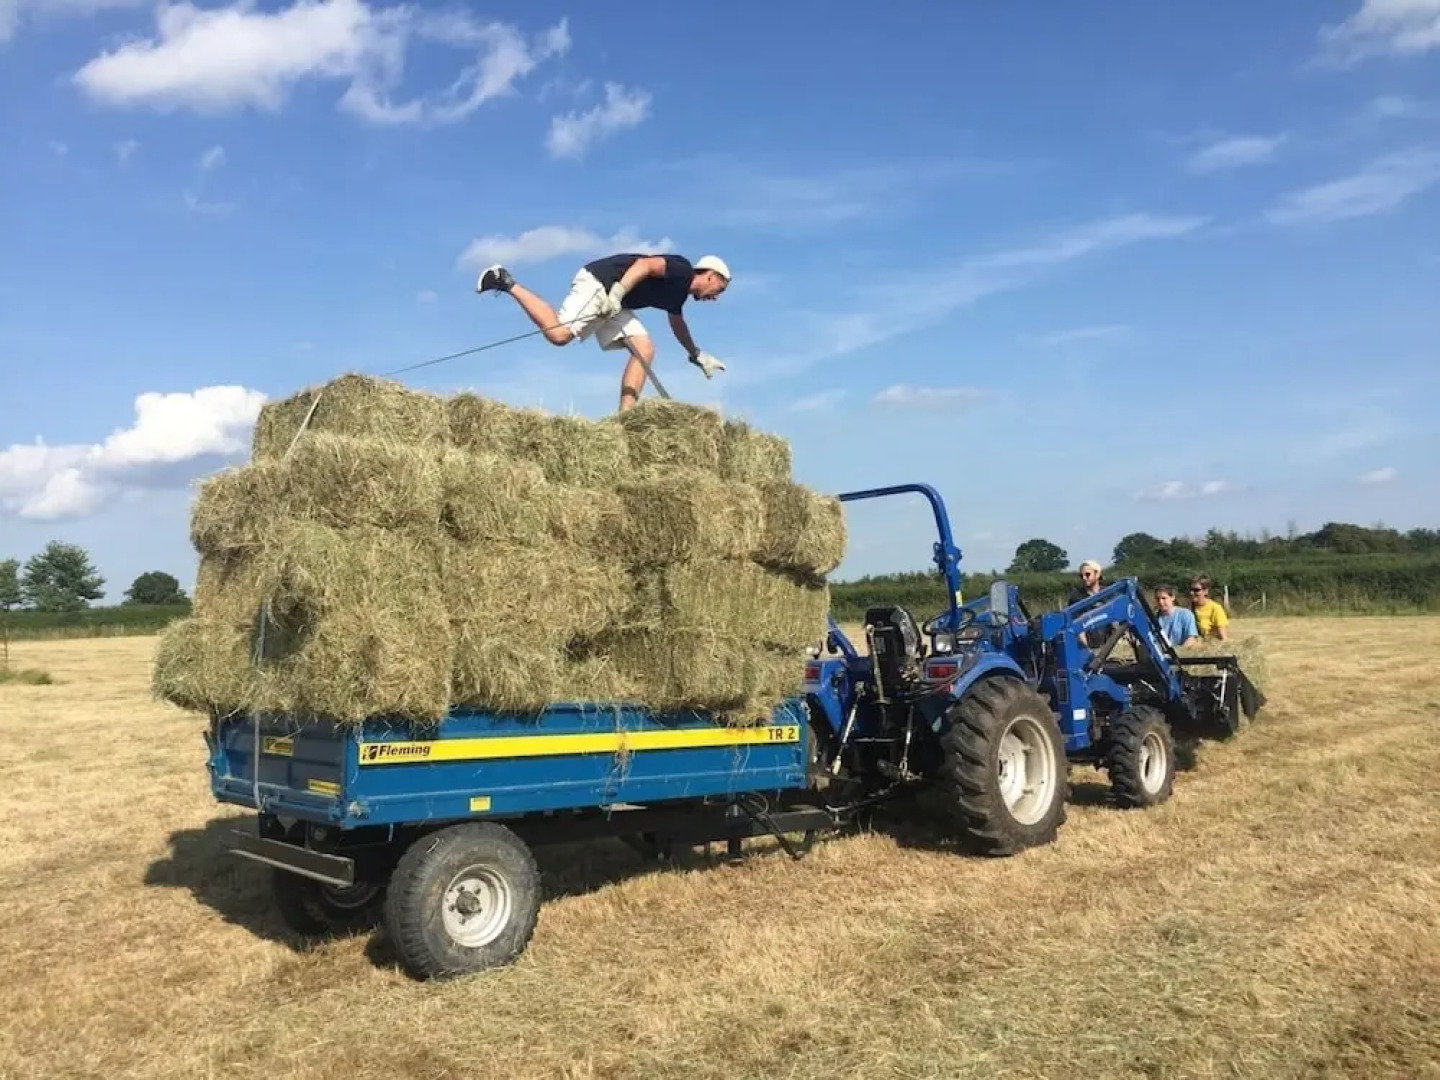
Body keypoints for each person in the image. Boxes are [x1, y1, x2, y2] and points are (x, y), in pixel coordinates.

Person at [475, 252, 730, 412]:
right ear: (709, 275)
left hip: (617, 301)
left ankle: (625, 419)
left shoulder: (677, 297)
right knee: (559, 335)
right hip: (602, 283)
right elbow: (645, 265)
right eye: (720, 289)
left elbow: (678, 324)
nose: (716, 297)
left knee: (645, 348)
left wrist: (696, 354)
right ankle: (504, 280)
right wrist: (617, 293)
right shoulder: (682, 270)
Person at [1189, 575, 1230, 641]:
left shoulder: (1215, 608)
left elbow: (1224, 638)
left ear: (1206, 591)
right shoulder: (1188, 609)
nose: (1192, 593)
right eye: (1191, 589)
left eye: (1196, 590)